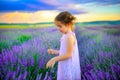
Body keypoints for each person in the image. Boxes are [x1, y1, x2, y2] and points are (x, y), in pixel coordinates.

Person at [46, 11, 81, 80]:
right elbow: (64, 51)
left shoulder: (69, 37)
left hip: (68, 65)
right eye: (57, 26)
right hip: (64, 64)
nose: (58, 28)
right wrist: (54, 52)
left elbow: (69, 54)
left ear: (68, 24)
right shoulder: (65, 35)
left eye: (60, 26)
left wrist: (54, 59)